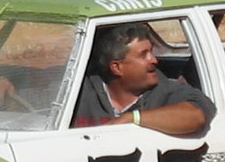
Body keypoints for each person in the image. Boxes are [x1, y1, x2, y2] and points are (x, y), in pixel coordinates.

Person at [71, 22, 215, 134]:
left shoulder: (166, 90)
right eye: (143, 54)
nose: (154, 60)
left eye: (151, 52)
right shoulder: (77, 93)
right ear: (117, 67)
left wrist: (132, 118)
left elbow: (196, 116)